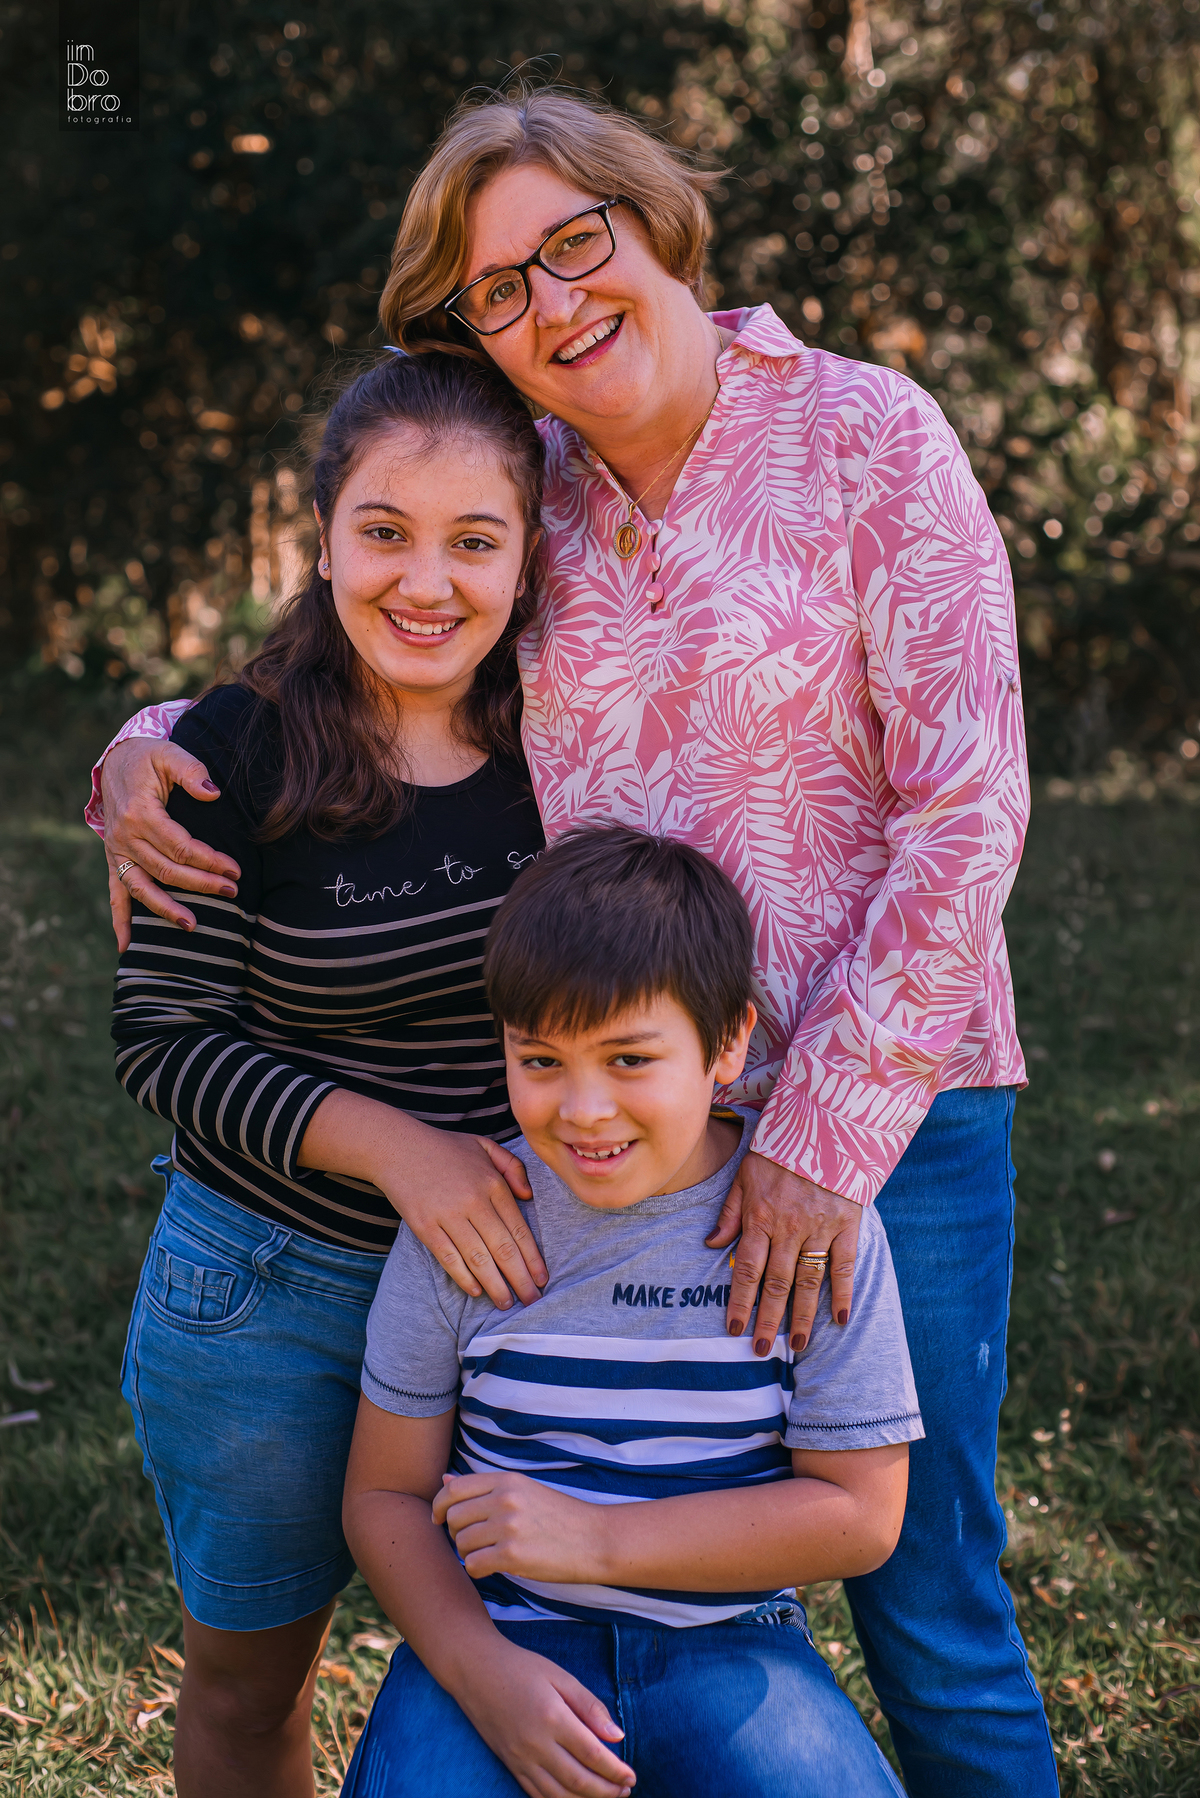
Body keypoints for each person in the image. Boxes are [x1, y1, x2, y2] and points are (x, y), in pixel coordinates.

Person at [89, 86, 1055, 1797]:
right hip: (607, 1118)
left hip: (883, 1111)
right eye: (496, 289)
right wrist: (147, 745)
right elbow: (375, 619)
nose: (550, 302)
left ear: (654, 218)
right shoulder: (533, 485)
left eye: (572, 244)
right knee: (584, 1520)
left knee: (925, 1587)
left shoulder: (869, 435)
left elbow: (969, 809)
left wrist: (821, 1139)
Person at [110, 350, 559, 1798]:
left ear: (528, 554)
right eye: (384, 531)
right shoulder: (233, 754)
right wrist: (399, 1149)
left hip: (523, 1283)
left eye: (474, 540)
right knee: (253, 1688)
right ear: (321, 538)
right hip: (271, 1289)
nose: (425, 583)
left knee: (541, 1659)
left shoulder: (570, 730)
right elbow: (163, 1036)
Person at [342, 823, 920, 1798]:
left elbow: (861, 1515)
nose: (584, 1111)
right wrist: (483, 1674)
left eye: (628, 1059)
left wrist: (599, 1540)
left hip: (732, 1638)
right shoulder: (471, 1220)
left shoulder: (807, 1227)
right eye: (540, 1061)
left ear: (727, 1042)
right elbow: (385, 1495)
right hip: (502, 1637)